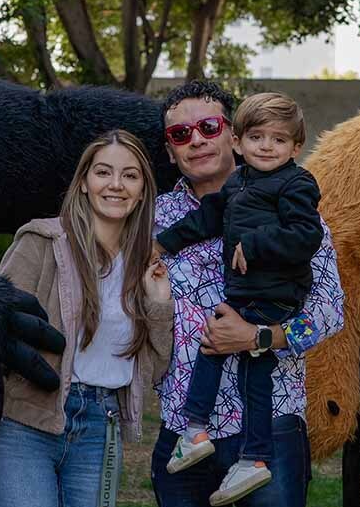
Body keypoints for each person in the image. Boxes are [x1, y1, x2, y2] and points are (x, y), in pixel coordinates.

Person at [0, 130, 174, 507]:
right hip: (25, 424)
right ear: (83, 183)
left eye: (130, 176)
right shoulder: (42, 243)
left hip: (101, 427)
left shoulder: (147, 265)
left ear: (144, 190)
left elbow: (155, 368)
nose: (116, 185)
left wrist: (159, 306)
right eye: (103, 172)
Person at [150, 81, 344, 507]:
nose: (196, 139)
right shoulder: (152, 221)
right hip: (184, 428)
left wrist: (262, 337)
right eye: (181, 134)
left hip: (269, 425)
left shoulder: (294, 207)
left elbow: (330, 312)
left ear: (230, 136)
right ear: (169, 150)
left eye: (208, 125)